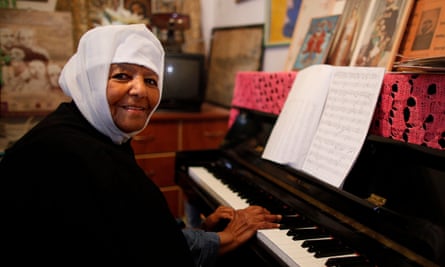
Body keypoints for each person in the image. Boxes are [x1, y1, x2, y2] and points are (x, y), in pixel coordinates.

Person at [0, 24, 282, 266]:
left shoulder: (88, 131)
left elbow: (133, 230)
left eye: (150, 80)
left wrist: (200, 231)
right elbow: (150, 254)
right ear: (90, 81)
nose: (140, 90)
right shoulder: (70, 153)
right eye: (122, 75)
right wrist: (225, 237)